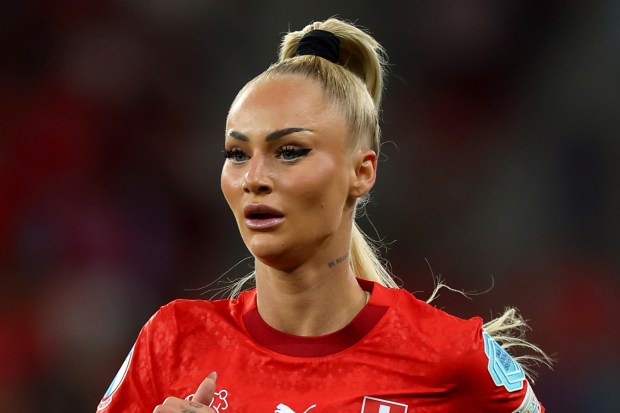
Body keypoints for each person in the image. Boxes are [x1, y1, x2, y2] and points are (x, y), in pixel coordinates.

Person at [96, 18, 550, 413]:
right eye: (237, 154)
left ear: (362, 172)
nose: (254, 177)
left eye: (290, 151)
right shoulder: (173, 342)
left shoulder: (451, 358)